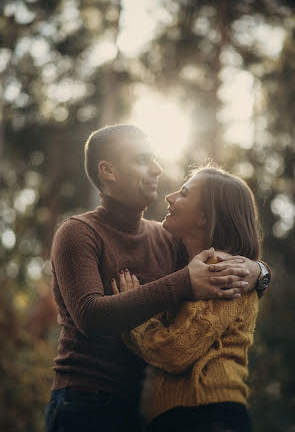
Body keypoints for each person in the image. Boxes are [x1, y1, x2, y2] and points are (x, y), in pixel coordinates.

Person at [45, 125, 270, 432]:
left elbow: (221, 247)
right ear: (108, 171)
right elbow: (91, 317)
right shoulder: (77, 233)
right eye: (142, 160)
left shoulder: (167, 238)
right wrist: (185, 283)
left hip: (149, 409)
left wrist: (259, 271)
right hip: (87, 402)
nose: (158, 169)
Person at [113, 165, 269, 431]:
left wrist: (132, 313)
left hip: (206, 416)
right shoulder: (191, 266)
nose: (169, 197)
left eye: (183, 193)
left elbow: (175, 351)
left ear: (205, 218)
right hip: (183, 415)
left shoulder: (221, 270)